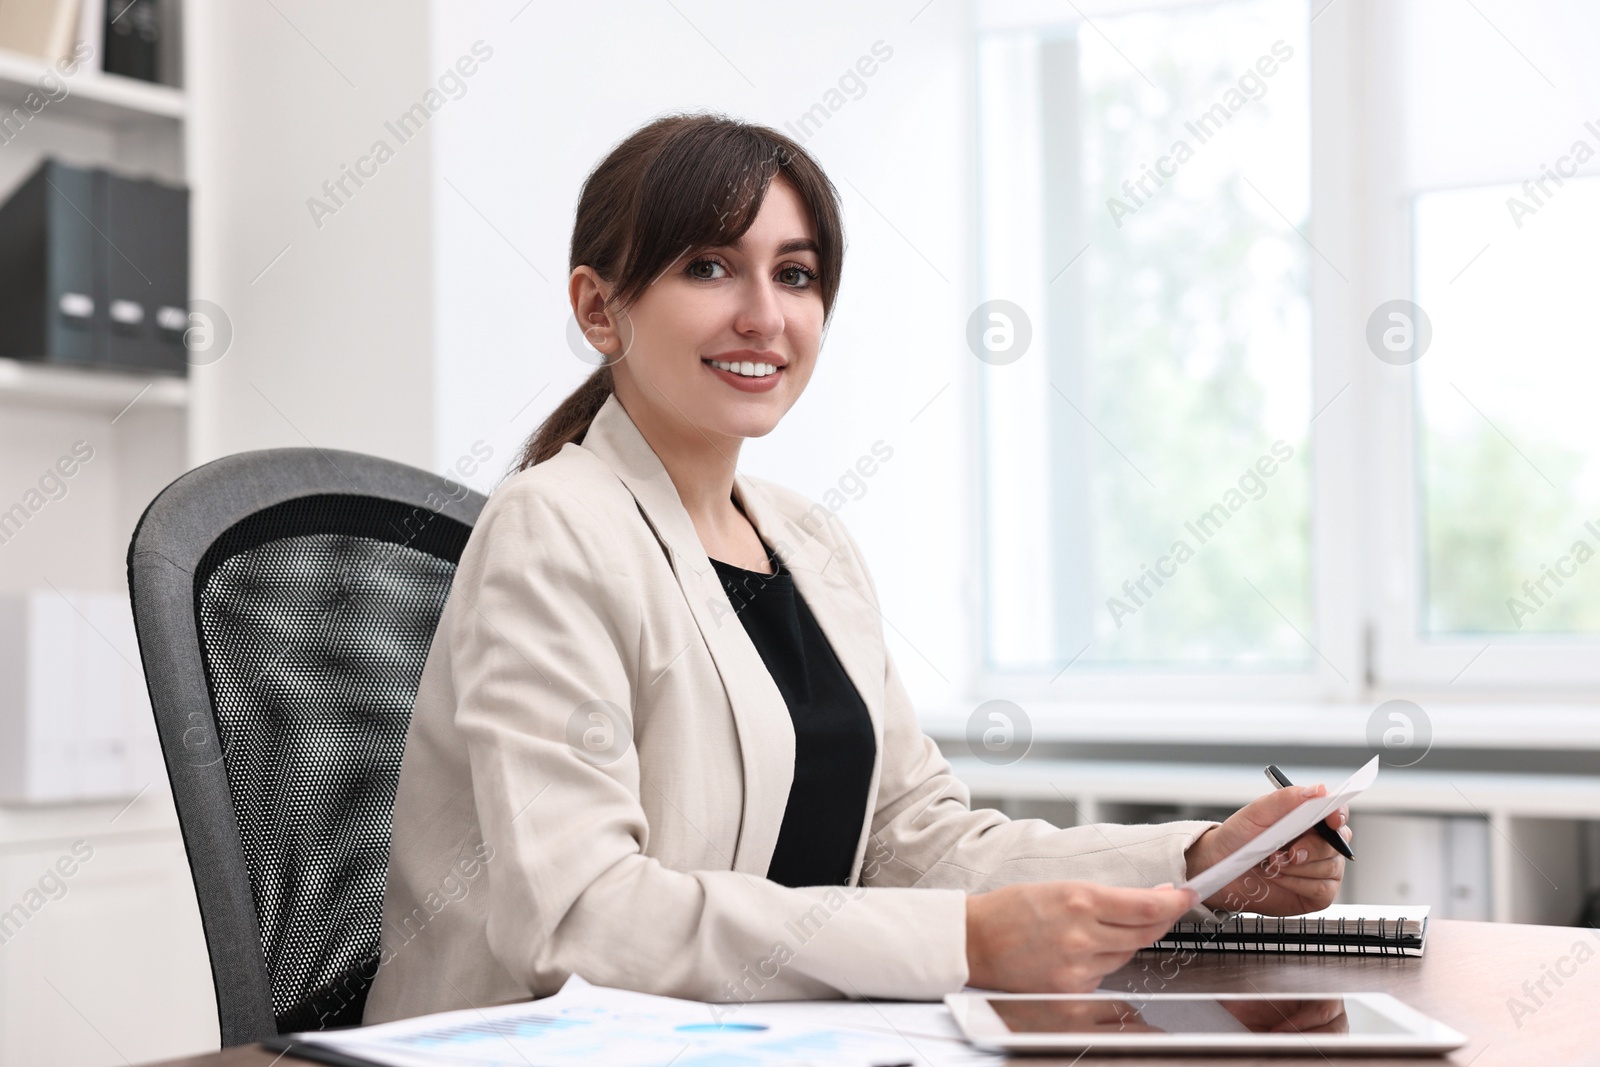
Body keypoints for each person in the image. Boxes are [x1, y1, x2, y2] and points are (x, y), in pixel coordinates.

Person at [361, 112, 1350, 1024]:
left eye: (794, 274)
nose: (763, 315)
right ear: (598, 308)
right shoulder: (552, 527)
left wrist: (1199, 862)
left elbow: (914, 839)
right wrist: (964, 942)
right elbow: (583, 918)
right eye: (709, 267)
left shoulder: (812, 542)